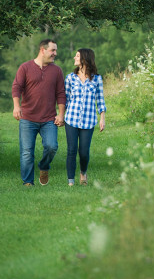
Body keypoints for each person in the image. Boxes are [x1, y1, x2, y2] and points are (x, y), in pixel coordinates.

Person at [12, 38, 66, 186]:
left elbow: (61, 93)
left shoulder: (57, 71)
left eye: (55, 50)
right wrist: (17, 106)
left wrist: (61, 114)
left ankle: (44, 166)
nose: (55, 53)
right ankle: (28, 182)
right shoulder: (25, 68)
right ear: (43, 50)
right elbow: (16, 87)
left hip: (49, 119)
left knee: (51, 146)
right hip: (28, 118)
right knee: (26, 152)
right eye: (52, 50)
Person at [64, 47, 106, 186]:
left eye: (77, 56)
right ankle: (71, 181)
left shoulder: (97, 79)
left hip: (88, 121)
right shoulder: (70, 78)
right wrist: (61, 115)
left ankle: (83, 172)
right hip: (71, 118)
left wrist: (102, 118)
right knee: (71, 150)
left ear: (84, 59)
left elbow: (100, 99)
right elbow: (65, 98)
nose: (74, 58)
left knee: (83, 151)